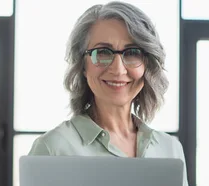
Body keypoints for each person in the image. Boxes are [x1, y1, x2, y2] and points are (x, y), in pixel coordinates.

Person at [27, 1, 188, 186]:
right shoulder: (52, 149)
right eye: (102, 52)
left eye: (132, 52)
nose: (118, 69)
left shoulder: (170, 149)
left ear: (147, 65)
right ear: (83, 66)